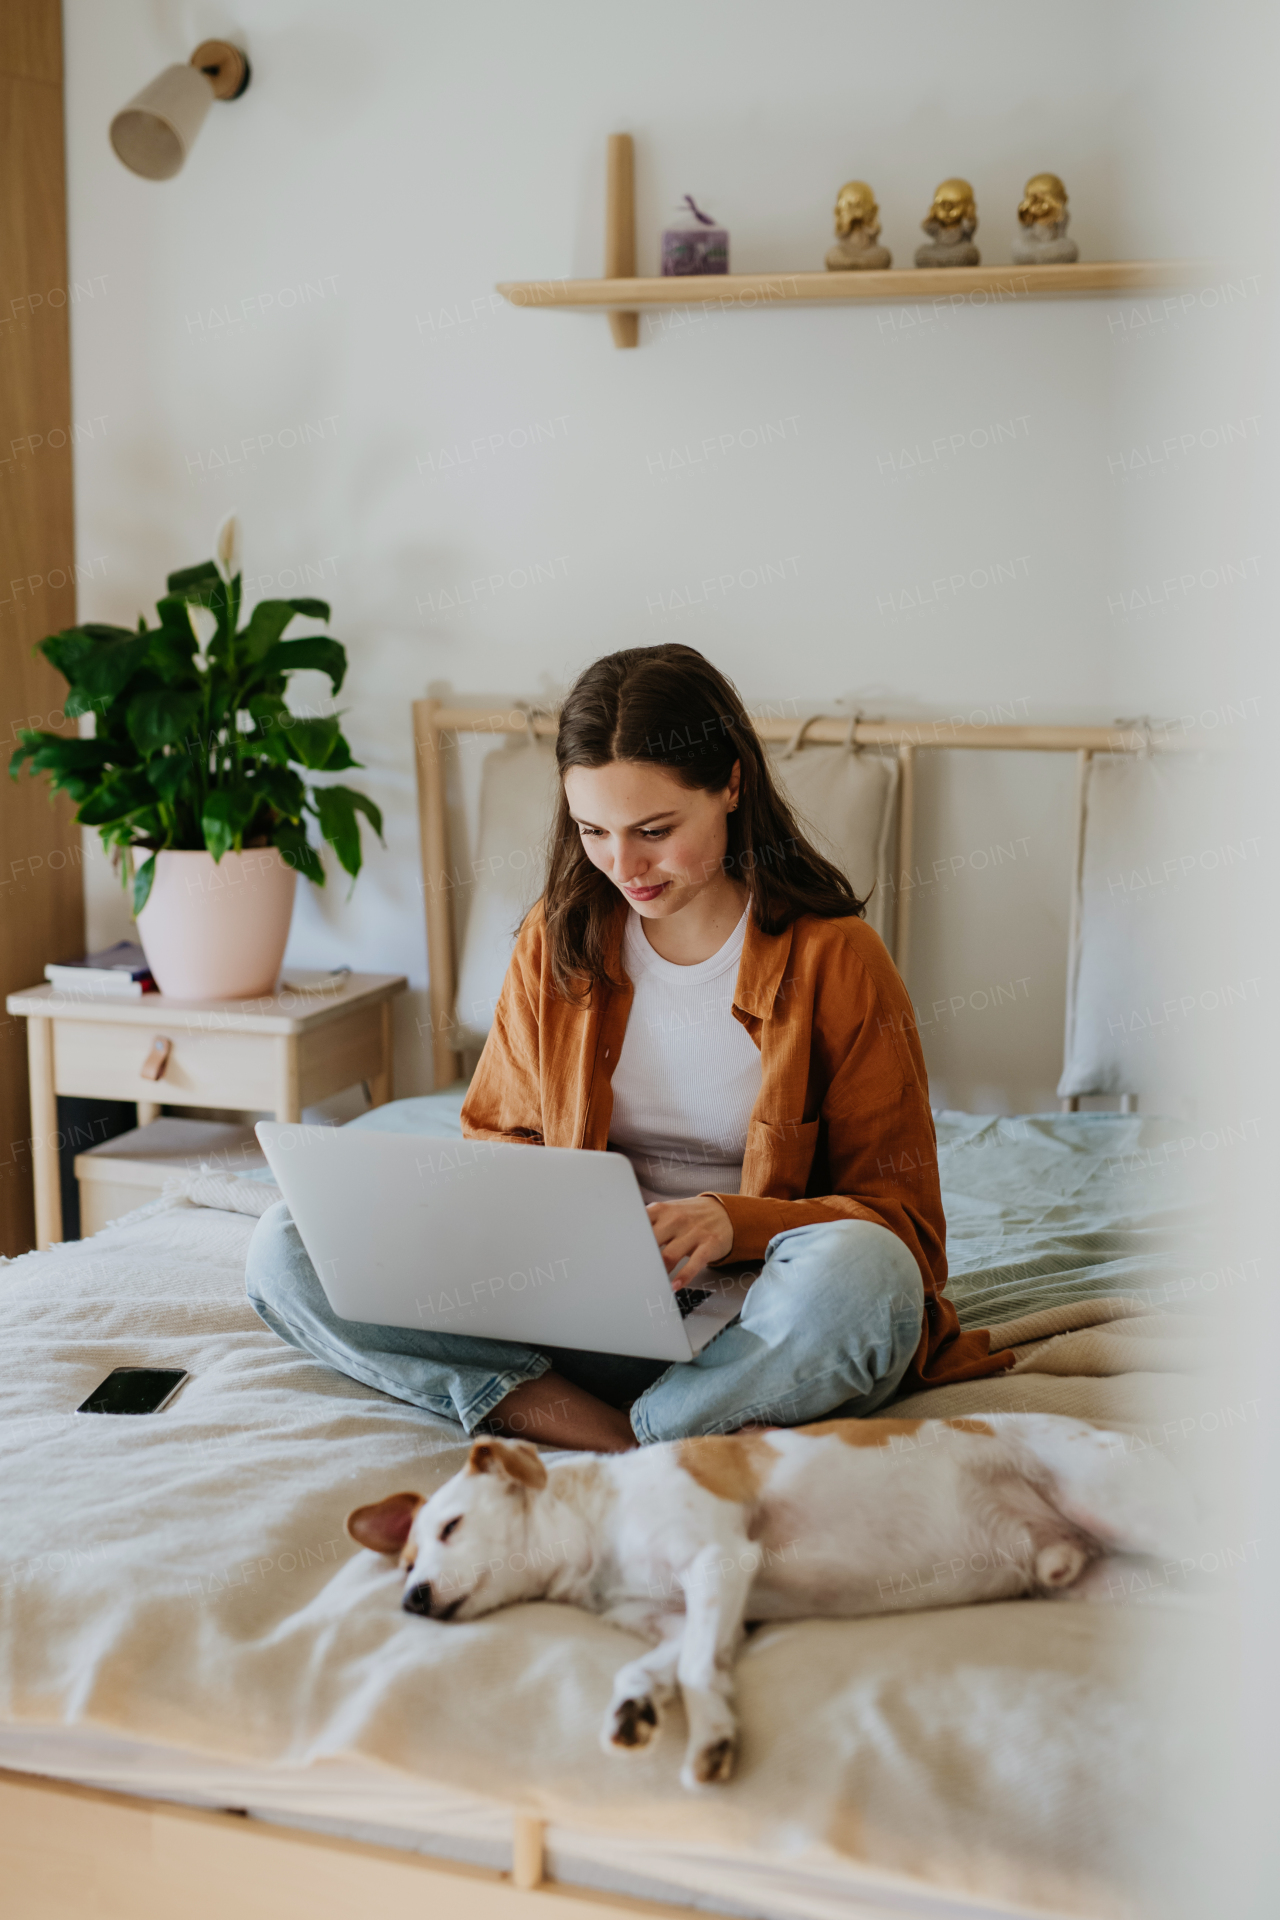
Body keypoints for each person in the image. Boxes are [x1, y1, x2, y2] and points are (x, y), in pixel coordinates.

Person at [247, 645, 1011, 1450]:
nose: (623, 866)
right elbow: (496, 1141)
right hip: (575, 1315)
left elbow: (906, 1234)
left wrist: (730, 1221)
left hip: (757, 1320)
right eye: (593, 831)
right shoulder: (557, 938)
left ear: (732, 785)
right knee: (286, 1247)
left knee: (868, 1278)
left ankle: (645, 1429)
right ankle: (615, 1427)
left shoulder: (838, 959)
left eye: (654, 830)